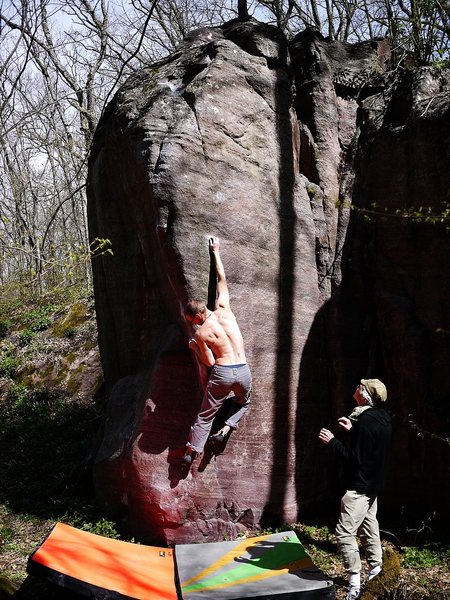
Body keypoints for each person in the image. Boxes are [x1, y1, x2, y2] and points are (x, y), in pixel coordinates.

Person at [319, 379, 391, 600]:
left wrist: (332, 441)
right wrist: (353, 431)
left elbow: (355, 460)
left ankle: (354, 583)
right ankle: (377, 570)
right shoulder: (382, 418)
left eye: (361, 386)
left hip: (359, 488)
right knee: (370, 526)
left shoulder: (366, 421)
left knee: (344, 533)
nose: (357, 388)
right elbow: (372, 449)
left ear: (365, 395)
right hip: (373, 486)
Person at [183, 236, 252, 465]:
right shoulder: (225, 308)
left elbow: (210, 362)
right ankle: (225, 429)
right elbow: (221, 279)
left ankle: (191, 452)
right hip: (242, 371)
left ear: (198, 316)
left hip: (222, 372)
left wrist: (195, 347)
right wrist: (216, 251)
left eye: (192, 320)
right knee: (245, 401)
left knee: (205, 415)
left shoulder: (201, 334)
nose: (192, 324)